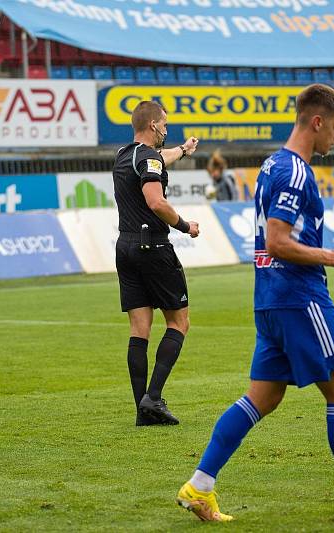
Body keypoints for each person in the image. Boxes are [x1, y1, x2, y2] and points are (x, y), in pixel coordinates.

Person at [175, 84, 334, 521]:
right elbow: (278, 240)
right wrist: (333, 258)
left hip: (269, 299)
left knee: (263, 397)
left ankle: (200, 486)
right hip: (299, 298)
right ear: (317, 122)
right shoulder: (296, 172)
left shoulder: (271, 164)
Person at [113, 100, 200, 426]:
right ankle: (154, 397)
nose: (166, 128)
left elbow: (159, 160)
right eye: (164, 123)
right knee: (179, 322)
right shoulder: (149, 159)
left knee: (139, 329)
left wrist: (184, 150)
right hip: (154, 247)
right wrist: (185, 225)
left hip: (125, 247)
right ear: (152, 126)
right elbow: (156, 201)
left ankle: (143, 409)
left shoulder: (126, 155)